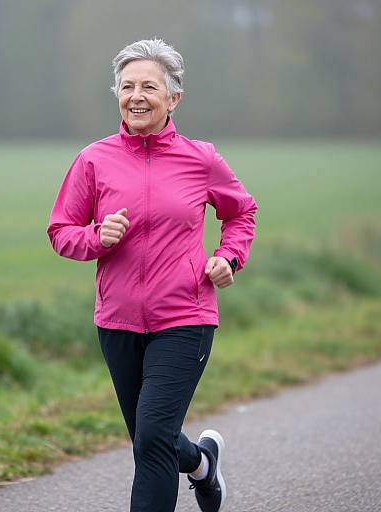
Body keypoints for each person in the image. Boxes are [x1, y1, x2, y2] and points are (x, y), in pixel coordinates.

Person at [47, 38, 258, 512]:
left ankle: (196, 467)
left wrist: (229, 256)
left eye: (148, 86)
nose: (136, 96)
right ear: (117, 94)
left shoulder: (200, 158)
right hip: (117, 321)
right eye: (127, 86)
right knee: (151, 439)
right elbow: (61, 231)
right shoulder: (93, 159)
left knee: (152, 441)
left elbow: (241, 213)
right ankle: (203, 464)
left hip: (186, 315)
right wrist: (98, 237)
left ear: (173, 98)